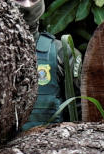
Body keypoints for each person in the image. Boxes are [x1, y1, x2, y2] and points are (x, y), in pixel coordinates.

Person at [16, 0, 72, 130]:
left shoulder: (61, 51)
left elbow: (81, 115)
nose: (28, 6)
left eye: (33, 0)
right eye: (19, 0)